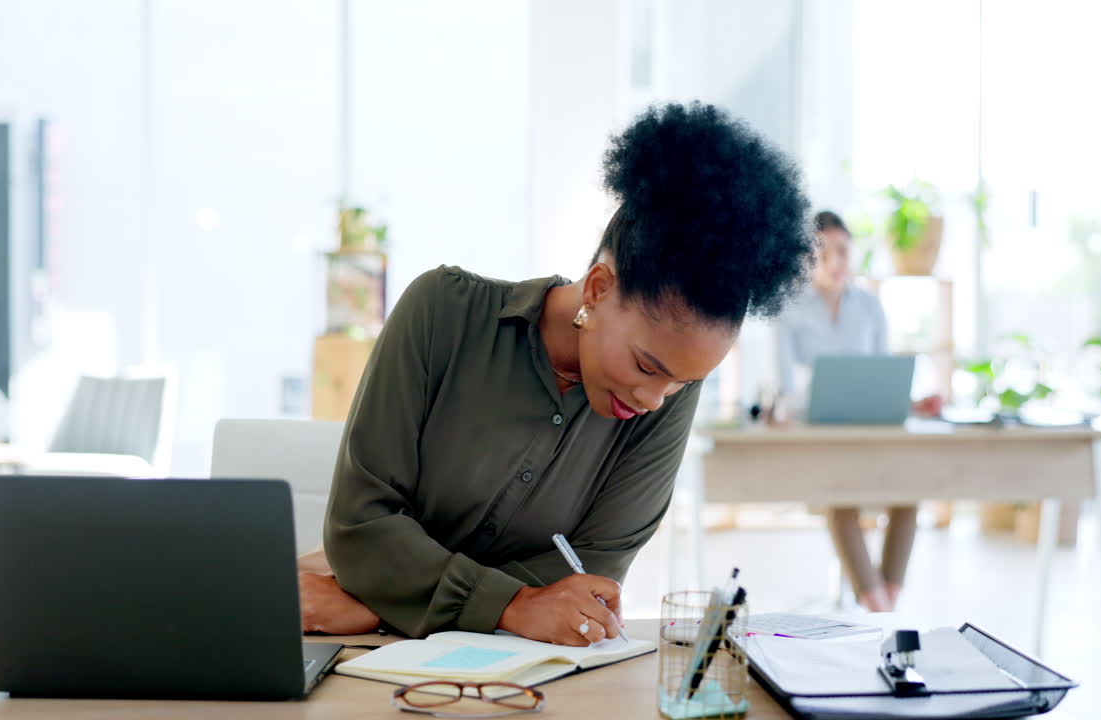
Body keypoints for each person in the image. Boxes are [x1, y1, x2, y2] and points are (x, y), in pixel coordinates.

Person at [298, 102, 814, 646]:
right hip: (342, 641)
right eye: (647, 366)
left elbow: (589, 577)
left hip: (456, 650)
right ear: (597, 288)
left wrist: (385, 601)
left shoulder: (664, 393)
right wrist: (517, 605)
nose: (655, 400)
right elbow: (362, 527)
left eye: (682, 383)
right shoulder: (441, 314)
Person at [775, 210, 938, 612]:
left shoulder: (870, 307)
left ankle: (887, 595)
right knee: (841, 497)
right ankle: (878, 606)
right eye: (822, 252)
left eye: (842, 251)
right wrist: (785, 409)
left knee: (910, 493)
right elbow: (784, 390)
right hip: (820, 438)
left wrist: (913, 403)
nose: (834, 261)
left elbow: (883, 375)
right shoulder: (789, 308)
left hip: (873, 435)